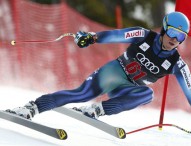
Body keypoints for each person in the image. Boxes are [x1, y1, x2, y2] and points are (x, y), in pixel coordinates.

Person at [6, 12, 191, 120]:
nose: (175, 40)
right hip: (116, 72)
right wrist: (92, 38)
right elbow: (117, 35)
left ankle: (98, 110)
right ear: (165, 29)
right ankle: (31, 108)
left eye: (181, 36)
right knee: (82, 94)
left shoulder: (178, 64)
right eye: (173, 33)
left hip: (129, 89)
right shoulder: (144, 35)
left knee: (147, 94)